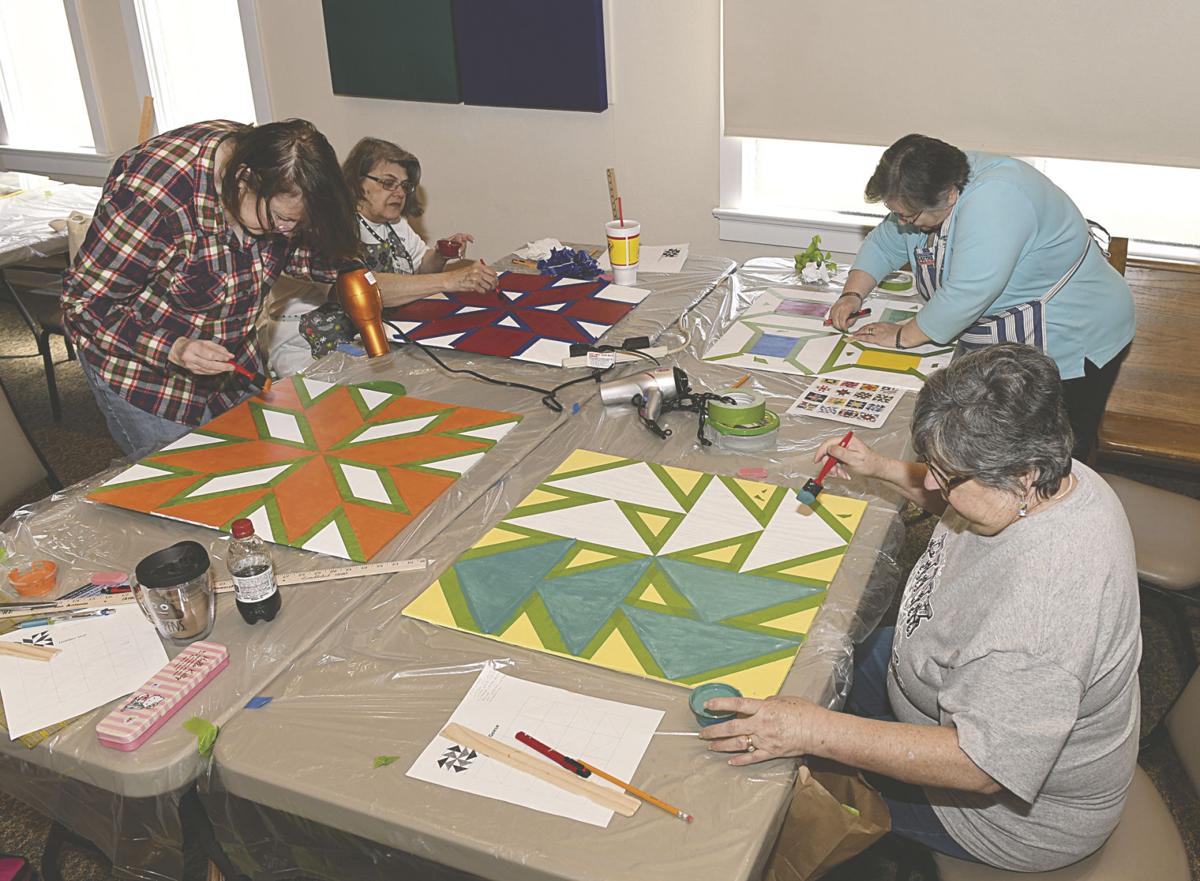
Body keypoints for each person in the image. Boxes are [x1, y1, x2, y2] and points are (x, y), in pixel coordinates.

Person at [700, 344, 1141, 873]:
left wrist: (812, 731)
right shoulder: (1052, 476)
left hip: (996, 817)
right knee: (804, 653)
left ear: (1024, 473)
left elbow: (979, 765)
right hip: (934, 671)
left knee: (767, 792)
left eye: (947, 475)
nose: (931, 483)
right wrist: (880, 467)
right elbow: (969, 495)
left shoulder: (1039, 624)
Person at [826, 134, 1135, 459]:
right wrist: (852, 295)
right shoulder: (931, 186)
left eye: (910, 216)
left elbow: (969, 291)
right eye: (897, 213)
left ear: (948, 196)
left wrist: (903, 335)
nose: (903, 222)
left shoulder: (997, 198)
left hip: (1074, 333)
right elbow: (885, 242)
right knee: (989, 443)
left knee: (1051, 450)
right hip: (1011, 329)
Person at [62, 118, 357, 459]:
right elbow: (82, 305)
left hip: (230, 361)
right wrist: (174, 348)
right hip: (147, 375)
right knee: (183, 484)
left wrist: (347, 266)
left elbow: (295, 251)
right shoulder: (154, 197)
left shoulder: (274, 176)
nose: (287, 232)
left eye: (298, 222)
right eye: (280, 219)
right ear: (243, 179)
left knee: (259, 463)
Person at [261, 136, 497, 375]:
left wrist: (440, 255)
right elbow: (362, 290)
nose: (399, 193)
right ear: (356, 181)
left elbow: (421, 268)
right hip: (310, 354)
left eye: (404, 186)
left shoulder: (395, 223)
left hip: (369, 341)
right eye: (388, 183)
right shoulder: (331, 227)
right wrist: (451, 280)